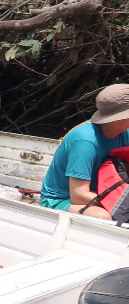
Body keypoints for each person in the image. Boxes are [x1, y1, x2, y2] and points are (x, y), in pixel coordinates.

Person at [40, 84, 129, 218]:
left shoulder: (124, 132)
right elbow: (78, 195)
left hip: (100, 190)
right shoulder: (85, 141)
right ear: (122, 117)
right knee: (101, 216)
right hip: (63, 200)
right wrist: (122, 203)